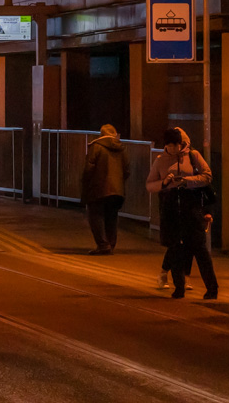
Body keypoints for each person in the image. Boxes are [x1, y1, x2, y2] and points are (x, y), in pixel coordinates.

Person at [147, 127, 218, 300]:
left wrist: (187, 181)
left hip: (192, 209)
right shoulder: (160, 160)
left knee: (200, 250)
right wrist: (164, 183)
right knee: (175, 249)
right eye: (169, 145)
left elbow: (207, 176)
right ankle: (179, 288)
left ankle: (212, 288)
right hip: (171, 210)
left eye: (176, 145)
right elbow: (150, 184)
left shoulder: (193, 156)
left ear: (182, 144)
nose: (173, 149)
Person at [81, 124, 130, 255]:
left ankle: (103, 245)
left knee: (96, 215)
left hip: (98, 188)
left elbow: (89, 169)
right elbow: (127, 170)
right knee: (112, 216)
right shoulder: (122, 149)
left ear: (101, 134)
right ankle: (110, 244)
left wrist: (85, 184)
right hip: (117, 190)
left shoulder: (96, 147)